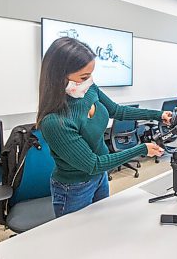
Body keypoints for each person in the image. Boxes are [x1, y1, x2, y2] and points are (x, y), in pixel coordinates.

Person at [36, 37, 168, 218]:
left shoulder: (89, 89)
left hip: (100, 177)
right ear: (59, 75)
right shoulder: (55, 122)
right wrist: (142, 149)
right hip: (74, 188)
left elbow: (117, 111)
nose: (89, 80)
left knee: (101, 223)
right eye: (84, 77)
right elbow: (93, 164)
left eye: (90, 74)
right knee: (76, 238)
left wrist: (157, 115)